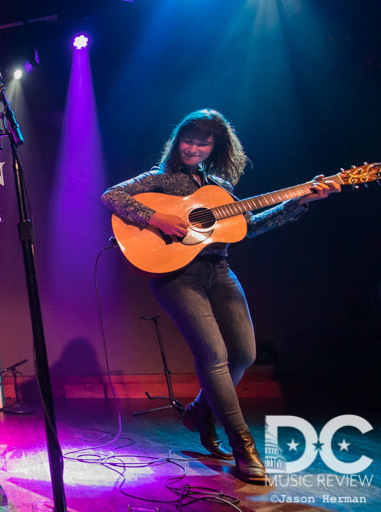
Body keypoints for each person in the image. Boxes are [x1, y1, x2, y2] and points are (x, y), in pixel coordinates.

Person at [100, 109, 340, 485]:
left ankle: (199, 410)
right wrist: (155, 218)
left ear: (216, 147)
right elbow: (111, 195)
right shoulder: (158, 179)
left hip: (220, 271)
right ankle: (243, 446)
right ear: (178, 140)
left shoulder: (219, 189)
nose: (194, 147)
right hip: (176, 276)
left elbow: (250, 225)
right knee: (212, 355)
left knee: (244, 354)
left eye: (203, 142)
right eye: (189, 139)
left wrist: (301, 201)